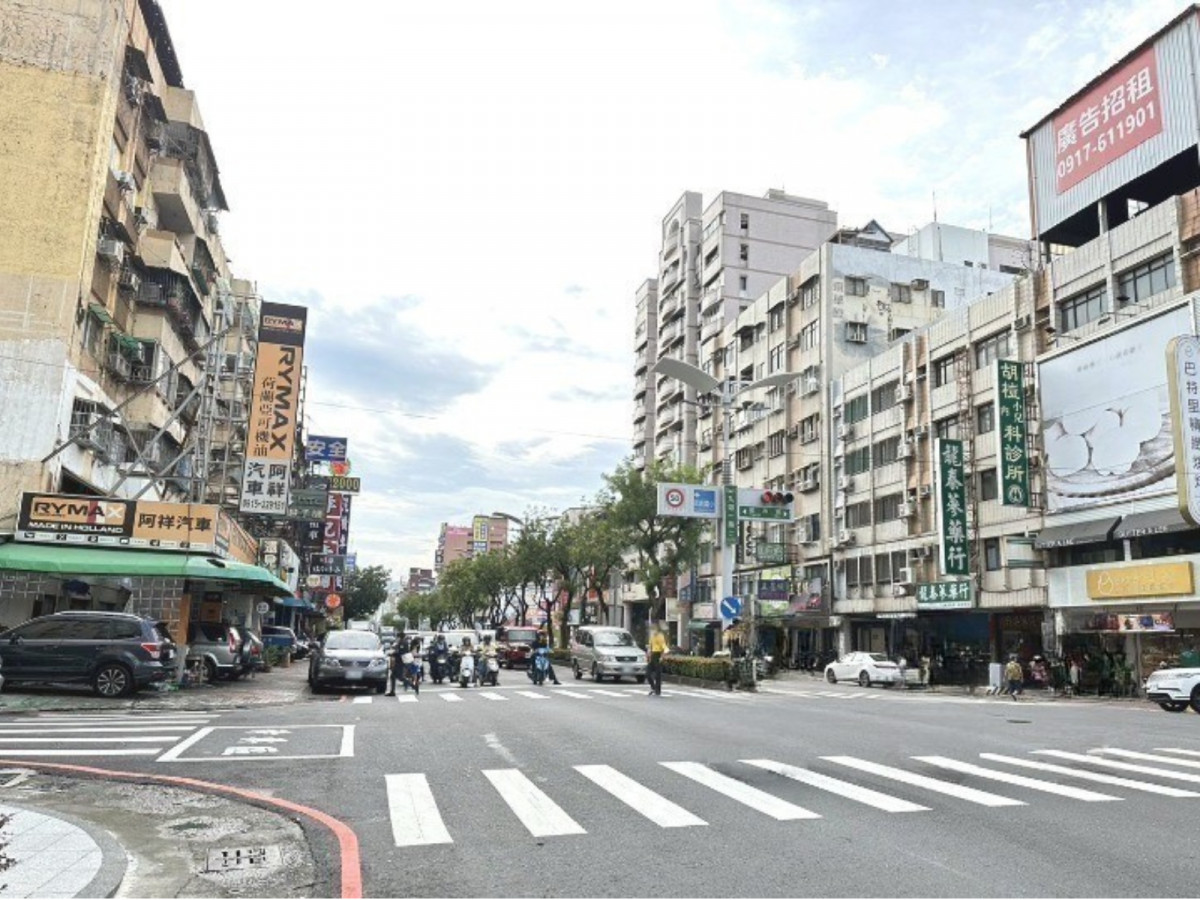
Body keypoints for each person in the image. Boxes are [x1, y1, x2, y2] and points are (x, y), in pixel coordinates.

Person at [647, 625, 669, 696]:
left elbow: (665, 648)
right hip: (653, 655)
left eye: (653, 629)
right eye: (651, 630)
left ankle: (657, 690)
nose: (652, 631)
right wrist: (649, 655)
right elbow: (650, 647)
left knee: (658, 675)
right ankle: (653, 687)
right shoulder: (652, 637)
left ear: (657, 630)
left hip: (658, 655)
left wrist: (662, 657)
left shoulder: (660, 637)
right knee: (648, 673)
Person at [385, 630, 408, 696]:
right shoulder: (402, 642)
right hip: (399, 661)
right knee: (393, 676)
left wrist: (392, 654)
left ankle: (410, 683)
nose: (397, 638)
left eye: (397, 637)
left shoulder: (403, 642)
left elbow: (400, 652)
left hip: (400, 662)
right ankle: (392, 691)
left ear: (399, 637)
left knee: (399, 677)